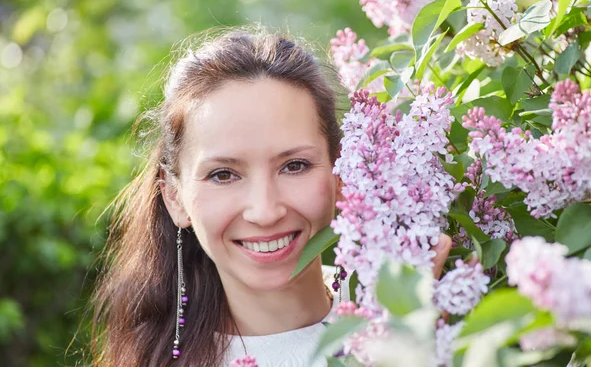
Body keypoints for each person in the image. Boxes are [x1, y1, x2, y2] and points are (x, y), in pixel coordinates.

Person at [90, 26, 451, 367]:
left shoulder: (439, 301)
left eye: (294, 166)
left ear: (343, 171)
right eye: (223, 174)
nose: (265, 212)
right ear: (175, 198)